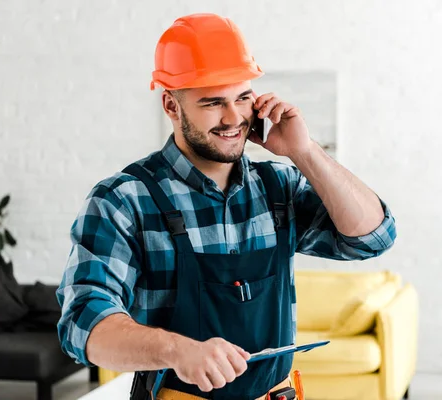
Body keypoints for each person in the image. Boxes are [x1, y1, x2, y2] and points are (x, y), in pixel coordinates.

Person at [57, 13, 397, 400]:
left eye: (243, 97)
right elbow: (82, 323)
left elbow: (373, 237)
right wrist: (177, 350)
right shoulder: (124, 200)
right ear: (171, 105)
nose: (234, 117)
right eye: (213, 102)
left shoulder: (278, 187)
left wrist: (305, 152)